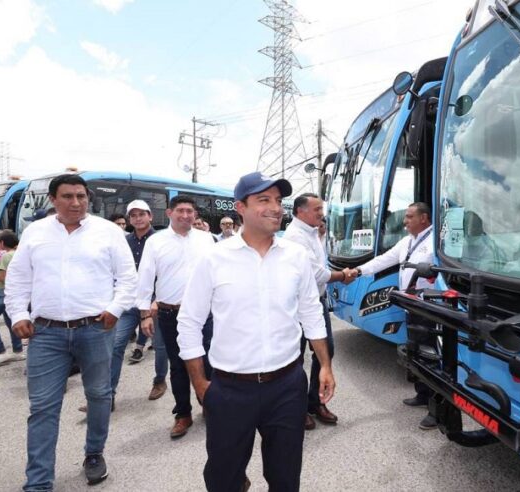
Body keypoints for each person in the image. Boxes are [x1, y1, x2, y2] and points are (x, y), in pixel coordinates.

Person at [177, 172, 335, 492]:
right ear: (241, 207)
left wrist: (326, 365)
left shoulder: (296, 258)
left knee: (285, 476)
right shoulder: (213, 259)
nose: (275, 207)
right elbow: (189, 322)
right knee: (224, 478)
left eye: (278, 201)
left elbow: (311, 314)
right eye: (264, 200)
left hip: (288, 386)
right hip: (230, 388)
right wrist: (200, 383)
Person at [5, 173, 137, 489]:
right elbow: (18, 280)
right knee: (43, 408)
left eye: (81, 196)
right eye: (67, 196)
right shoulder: (36, 233)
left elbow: (128, 278)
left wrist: (115, 310)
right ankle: (38, 481)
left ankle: (94, 453)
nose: (75, 202)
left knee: (99, 395)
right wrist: (18, 314)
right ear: (53, 199)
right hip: (45, 334)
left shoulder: (107, 232)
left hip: (95, 329)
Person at [343, 202, 436, 430]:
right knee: (415, 352)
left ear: (423, 218)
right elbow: (384, 260)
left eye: (409, 216)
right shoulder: (407, 242)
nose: (404, 221)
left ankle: (437, 410)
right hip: (411, 306)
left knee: (433, 357)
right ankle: (422, 394)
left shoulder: (436, 242)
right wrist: (358, 271)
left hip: (430, 308)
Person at [136, 195, 215, 439]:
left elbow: (218, 272)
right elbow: (146, 277)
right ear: (169, 213)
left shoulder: (206, 240)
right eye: (180, 210)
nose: (185, 215)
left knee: (210, 362)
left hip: (205, 313)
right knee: (178, 366)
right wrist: (145, 314)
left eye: (190, 211)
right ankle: (183, 414)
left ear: (195, 214)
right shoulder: (156, 242)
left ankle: (211, 408)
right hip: (171, 313)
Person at [284, 193, 352, 430]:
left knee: (325, 352)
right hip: (299, 305)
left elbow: (321, 266)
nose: (322, 214)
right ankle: (298, 407)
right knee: (296, 357)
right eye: (317, 209)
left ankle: (314, 402)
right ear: (301, 212)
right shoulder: (295, 237)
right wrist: (343, 276)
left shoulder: (313, 233)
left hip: (317, 301)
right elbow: (316, 273)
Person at [94, 200, 169, 407]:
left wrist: (157, 300)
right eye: (133, 215)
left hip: (155, 303)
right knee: (116, 345)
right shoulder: (124, 241)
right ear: (129, 219)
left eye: (141, 214)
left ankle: (160, 380)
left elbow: (167, 273)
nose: (138, 218)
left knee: (161, 347)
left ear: (150, 216)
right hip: (129, 302)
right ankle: (108, 395)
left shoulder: (161, 240)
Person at [0, 230, 23, 367]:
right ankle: (17, 350)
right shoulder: (20, 252)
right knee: (11, 321)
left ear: (2, 243)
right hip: (14, 291)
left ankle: (0, 351)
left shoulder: (7, 256)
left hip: (3, 291)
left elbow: (2, 277)